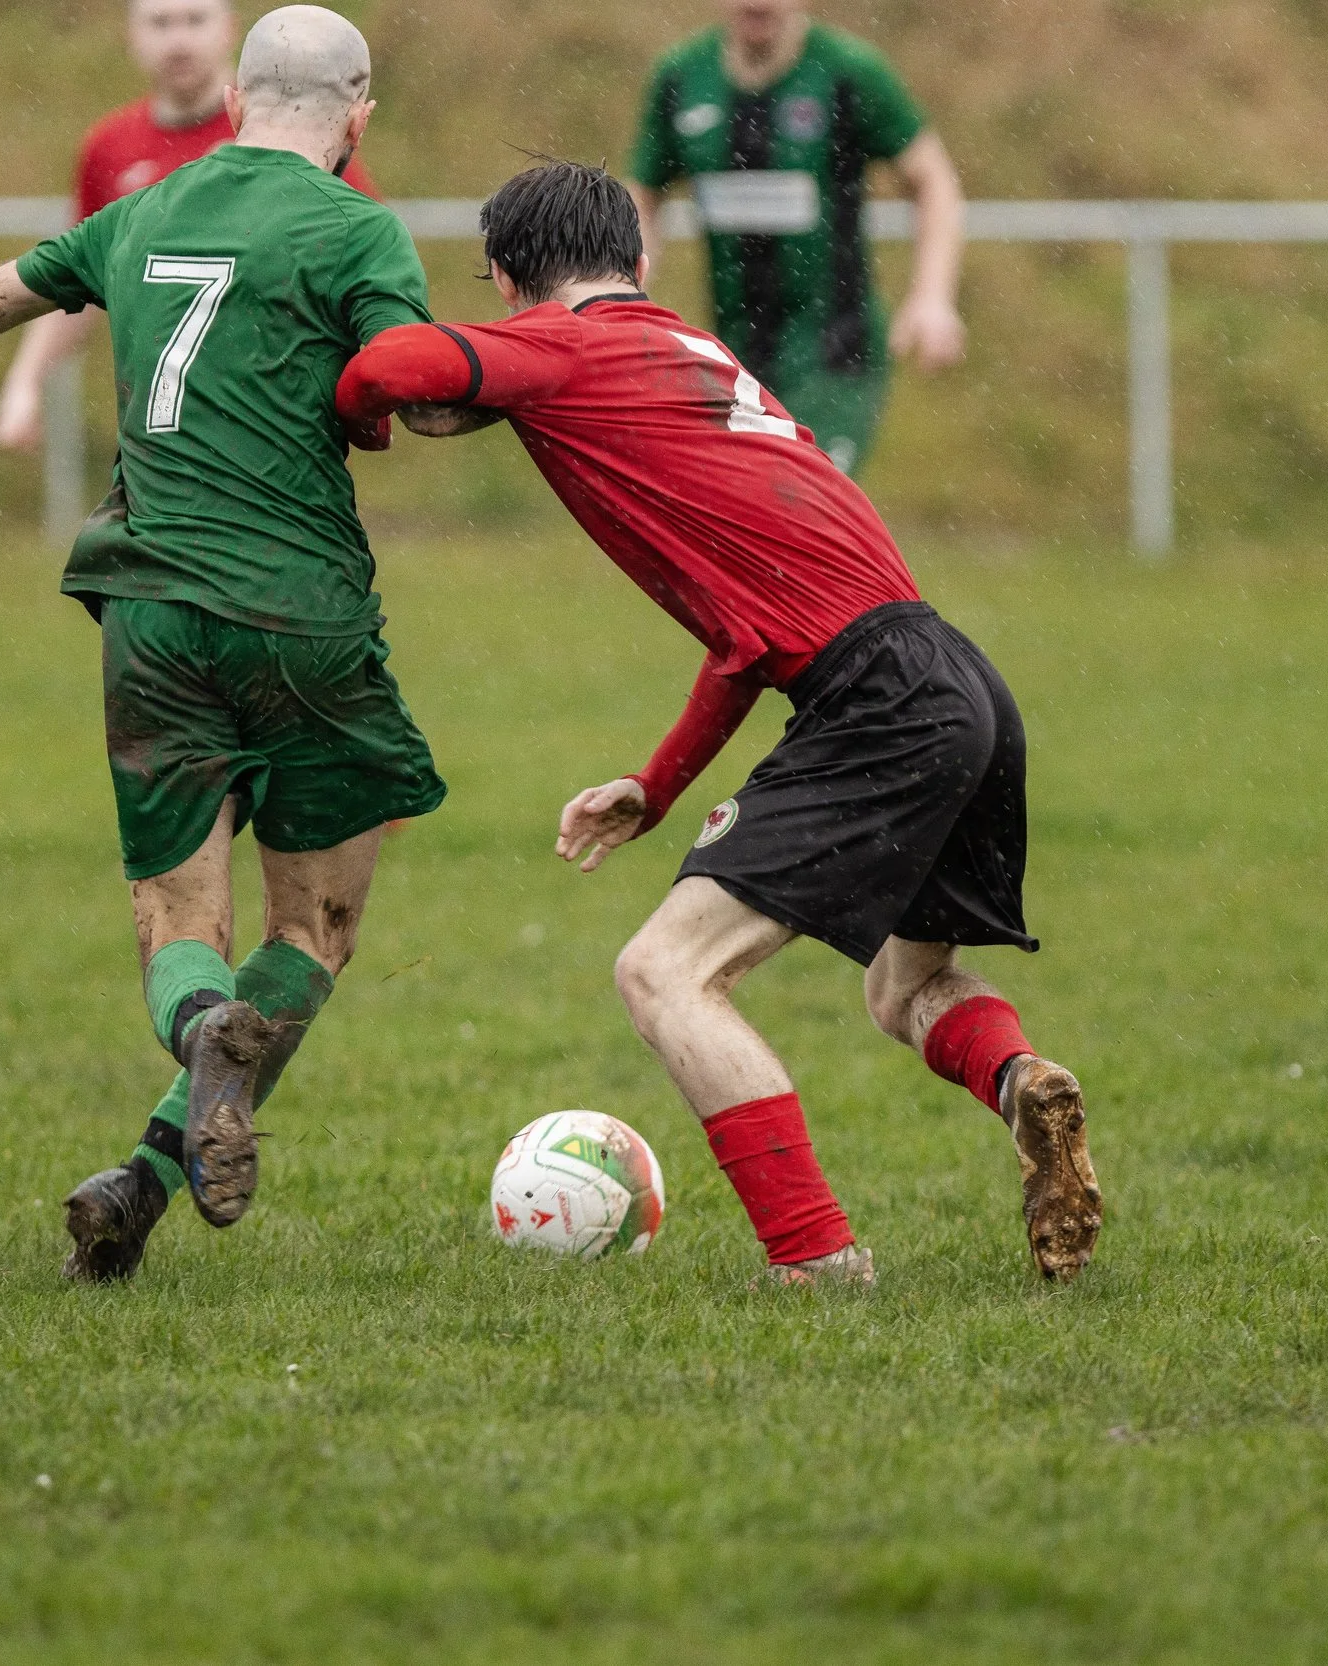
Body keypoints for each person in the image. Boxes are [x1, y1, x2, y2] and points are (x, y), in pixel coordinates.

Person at [0, 7, 443, 1283]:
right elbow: (417, 388)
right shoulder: (358, 225)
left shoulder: (144, 210)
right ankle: (188, 1115)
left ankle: (144, 1178)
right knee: (316, 924)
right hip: (300, 613)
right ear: (359, 114)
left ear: (232, 100)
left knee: (179, 914)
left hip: (149, 612)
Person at [335, 163, 1099, 1286]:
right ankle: (1022, 1078)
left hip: (876, 700)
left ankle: (816, 1259)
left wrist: (370, 423)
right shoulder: (687, 353)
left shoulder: (561, 345)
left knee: (664, 974)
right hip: (954, 678)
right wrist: (657, 783)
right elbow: (744, 639)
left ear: (504, 279)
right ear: (639, 262)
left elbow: (385, 364)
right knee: (904, 989)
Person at [0, 0, 382, 453]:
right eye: (161, 23)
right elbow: (75, 271)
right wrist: (24, 382)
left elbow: (360, 253)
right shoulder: (111, 147)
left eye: (195, 20)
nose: (178, 41)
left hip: (274, 424)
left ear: (229, 29)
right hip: (159, 422)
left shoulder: (291, 131)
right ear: (132, 35)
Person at [626, 0, 965, 479]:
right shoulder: (682, 77)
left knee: (799, 499)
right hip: (732, 359)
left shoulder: (849, 72)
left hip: (835, 354)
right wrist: (624, 293)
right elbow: (642, 196)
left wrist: (933, 297)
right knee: (742, 522)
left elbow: (933, 178)